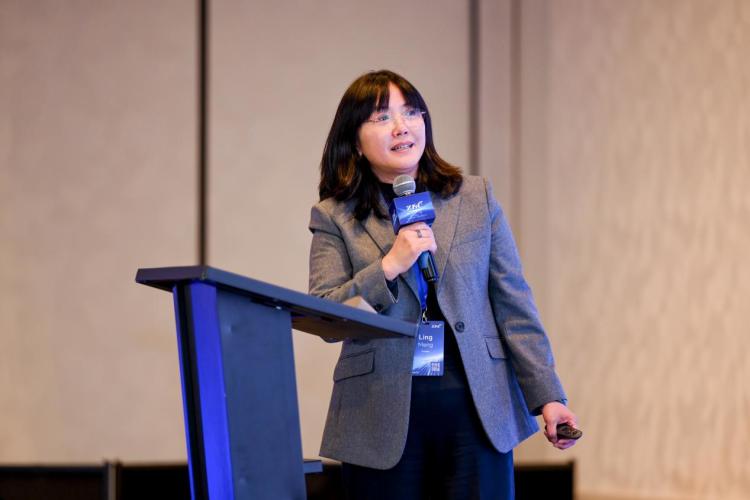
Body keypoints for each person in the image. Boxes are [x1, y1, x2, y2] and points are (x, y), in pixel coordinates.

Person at [308, 69, 578, 499]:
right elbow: (327, 315)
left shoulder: (473, 197)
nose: (402, 126)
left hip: (477, 407)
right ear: (355, 141)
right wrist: (389, 266)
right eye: (382, 117)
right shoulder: (334, 216)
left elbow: (514, 305)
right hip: (379, 413)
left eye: (411, 112)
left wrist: (548, 397)